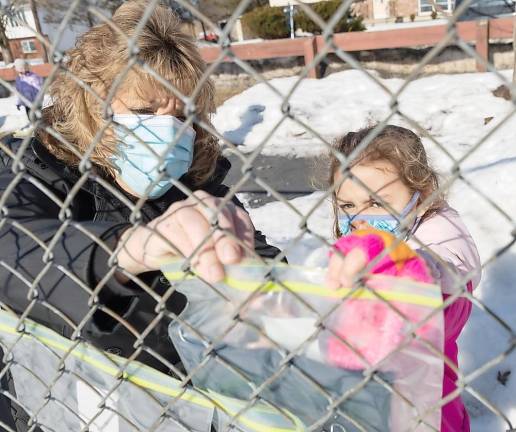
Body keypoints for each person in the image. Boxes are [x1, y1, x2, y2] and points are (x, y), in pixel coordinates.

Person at [0, 1, 280, 430]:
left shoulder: (197, 183)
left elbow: (263, 263)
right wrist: (133, 248)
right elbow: (13, 249)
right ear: (91, 106)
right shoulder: (32, 168)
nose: (167, 131)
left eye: (181, 114)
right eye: (145, 112)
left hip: (182, 408)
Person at [324, 125, 481, 432]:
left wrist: (401, 263)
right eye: (348, 206)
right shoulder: (358, 246)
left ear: (420, 194)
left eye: (377, 203)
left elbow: (443, 279)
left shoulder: (444, 238)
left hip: (428, 411)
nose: (360, 219)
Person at [13, 58, 43, 126]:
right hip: (27, 103)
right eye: (20, 69)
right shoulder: (18, 79)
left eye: (23, 68)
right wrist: (18, 103)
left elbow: (40, 89)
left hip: (36, 103)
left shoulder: (34, 77)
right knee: (31, 118)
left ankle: (42, 129)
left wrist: (39, 99)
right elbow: (19, 93)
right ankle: (35, 129)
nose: (22, 71)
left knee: (40, 118)